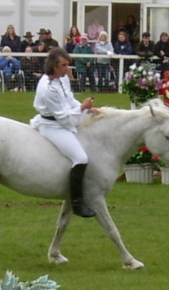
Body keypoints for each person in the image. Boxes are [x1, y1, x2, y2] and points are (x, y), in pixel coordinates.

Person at [30, 47, 99, 218]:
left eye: (68, 65)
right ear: (53, 66)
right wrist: (82, 108)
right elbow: (64, 118)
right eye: (63, 65)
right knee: (81, 158)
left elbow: (69, 100)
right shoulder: (47, 88)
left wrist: (85, 110)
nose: (67, 68)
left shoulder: (63, 79)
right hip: (52, 126)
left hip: (63, 119)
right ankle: (77, 203)